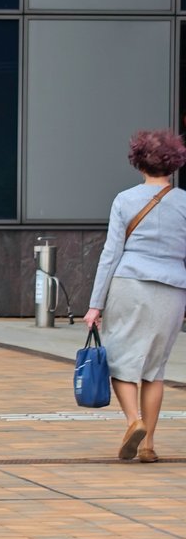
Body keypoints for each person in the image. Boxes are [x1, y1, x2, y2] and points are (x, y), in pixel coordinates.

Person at [82, 129, 186, 464]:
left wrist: (95, 304)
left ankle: (133, 422)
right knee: (155, 369)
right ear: (174, 163)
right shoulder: (184, 202)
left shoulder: (125, 200)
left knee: (119, 359)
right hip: (173, 288)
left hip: (130, 284)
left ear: (139, 162)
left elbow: (110, 254)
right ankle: (148, 445)